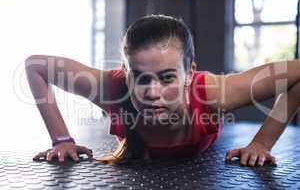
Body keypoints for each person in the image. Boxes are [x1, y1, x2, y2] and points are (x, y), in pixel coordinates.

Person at [26, 14, 300, 166]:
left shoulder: (213, 91)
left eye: (167, 77)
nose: (153, 92)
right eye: (141, 79)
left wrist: (262, 143)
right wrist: (61, 139)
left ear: (189, 73)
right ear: (126, 72)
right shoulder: (111, 86)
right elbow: (35, 66)